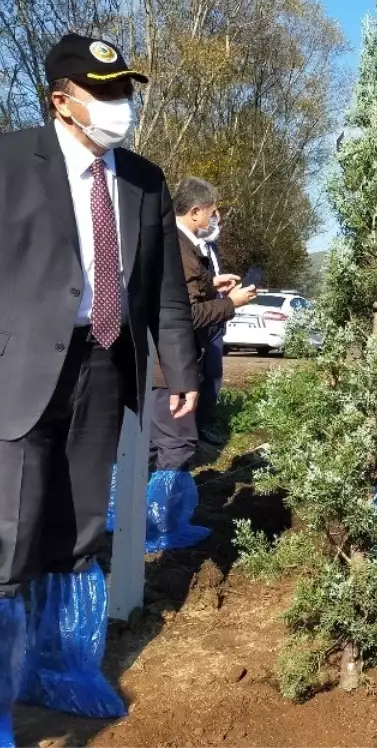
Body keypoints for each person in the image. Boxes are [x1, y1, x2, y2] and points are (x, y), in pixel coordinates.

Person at [0, 33, 198, 743]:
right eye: (103, 93)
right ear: (61, 99)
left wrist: (180, 372)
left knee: (78, 530)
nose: (119, 106)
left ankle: (62, 667)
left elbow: (164, 290)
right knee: (3, 542)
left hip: (103, 369)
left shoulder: (143, 179)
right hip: (11, 378)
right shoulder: (0, 160)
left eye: (124, 91)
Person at [145, 176, 255, 552]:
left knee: (150, 445)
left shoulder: (174, 243)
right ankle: (161, 527)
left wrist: (212, 285)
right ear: (195, 212)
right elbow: (185, 314)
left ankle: (127, 517)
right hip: (168, 367)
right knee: (176, 445)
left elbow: (185, 293)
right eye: (211, 213)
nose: (214, 218)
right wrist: (231, 304)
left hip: (157, 366)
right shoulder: (180, 247)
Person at [196, 212, 230, 446]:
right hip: (199, 320)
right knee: (193, 374)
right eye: (213, 215)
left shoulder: (213, 248)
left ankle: (204, 424)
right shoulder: (185, 246)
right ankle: (187, 429)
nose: (217, 221)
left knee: (213, 374)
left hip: (217, 322)